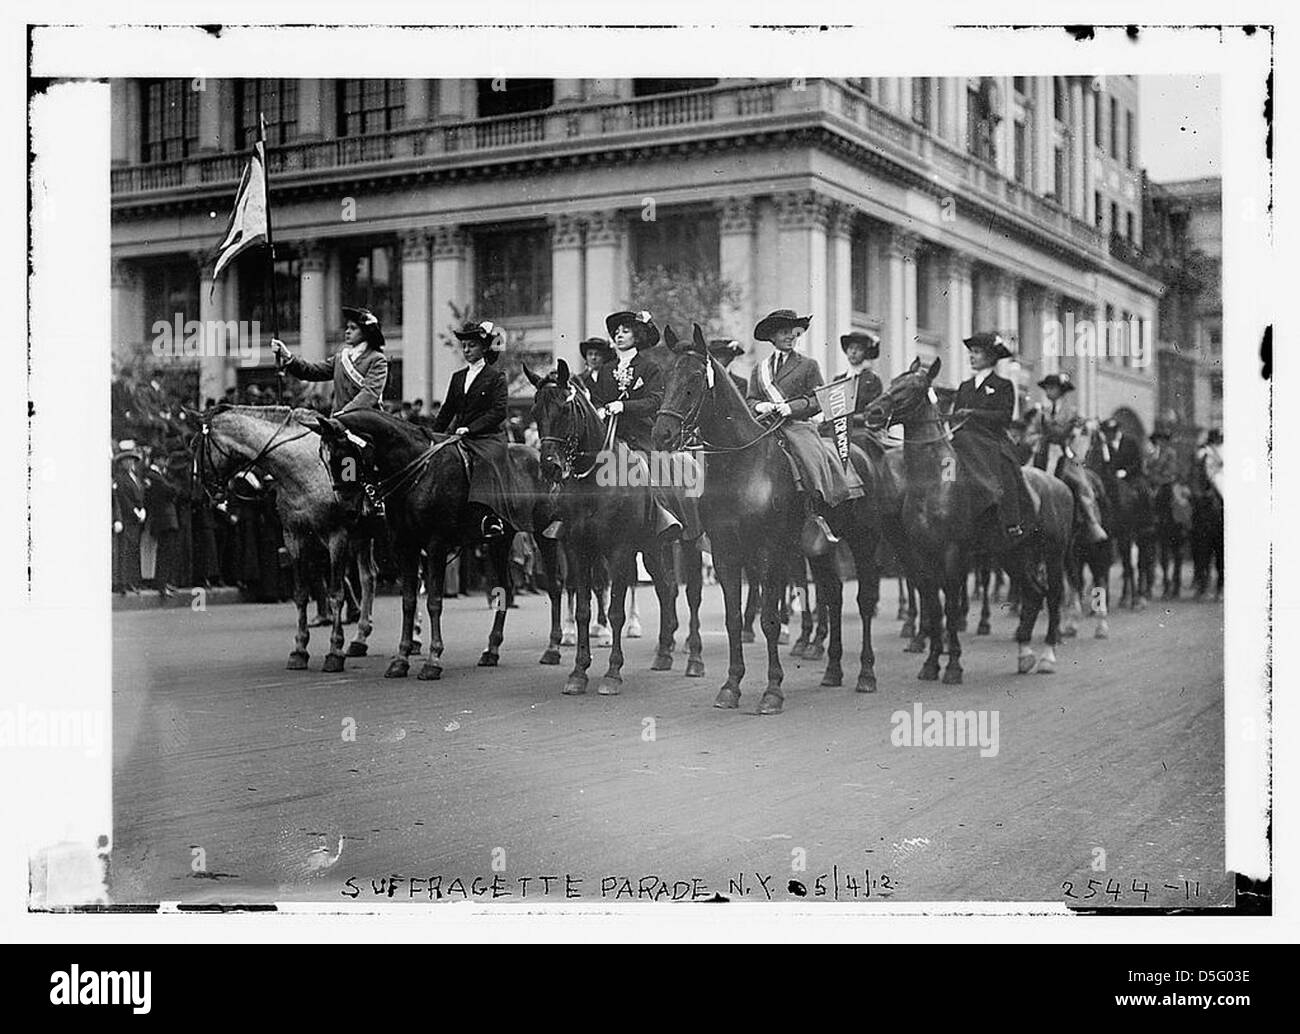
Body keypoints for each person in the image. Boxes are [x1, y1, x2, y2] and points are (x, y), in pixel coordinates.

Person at [746, 309, 865, 530]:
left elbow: (819, 399)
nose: (791, 336)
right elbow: (751, 399)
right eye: (784, 332)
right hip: (765, 426)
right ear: (772, 337)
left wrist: (790, 408)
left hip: (797, 425)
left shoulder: (808, 365)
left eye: (794, 332)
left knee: (809, 454)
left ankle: (815, 507)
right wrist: (760, 405)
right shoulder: (758, 370)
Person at [590, 309, 688, 539]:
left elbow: (655, 400)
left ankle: (664, 516)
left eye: (625, 331)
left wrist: (625, 406)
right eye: (616, 332)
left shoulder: (649, 367)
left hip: (638, 436)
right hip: (608, 436)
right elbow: (597, 398)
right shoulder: (605, 369)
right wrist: (600, 410)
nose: (619, 335)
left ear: (637, 336)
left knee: (644, 469)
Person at [432, 319, 527, 540]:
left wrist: (470, 428)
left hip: (488, 437)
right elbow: (447, 410)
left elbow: (498, 412)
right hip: (459, 436)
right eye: (464, 346)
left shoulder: (496, 377)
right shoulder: (458, 377)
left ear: (484, 347)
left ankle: (488, 517)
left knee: (485, 461)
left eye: (471, 345)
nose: (466, 350)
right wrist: (433, 436)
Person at [951, 332, 1031, 541]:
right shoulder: (965, 386)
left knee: (1007, 469)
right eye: (971, 352)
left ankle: (1012, 521)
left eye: (977, 352)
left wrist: (973, 413)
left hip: (991, 439)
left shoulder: (1003, 385)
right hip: (963, 439)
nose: (972, 356)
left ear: (990, 357)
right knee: (945, 462)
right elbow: (956, 413)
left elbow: (1004, 417)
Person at [1023, 372, 1107, 543]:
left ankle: (1091, 521)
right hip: (1044, 453)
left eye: (1052, 388)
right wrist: (1038, 440)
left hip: (1065, 454)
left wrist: (1071, 449)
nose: (1048, 391)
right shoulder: (1042, 413)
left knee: (1081, 483)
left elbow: (1080, 436)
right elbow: (1030, 434)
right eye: (1047, 388)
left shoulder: (1072, 413)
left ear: (1061, 391)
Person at [270, 306, 389, 417]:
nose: (347, 331)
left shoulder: (377, 359)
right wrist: (287, 355)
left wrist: (344, 413)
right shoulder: (341, 358)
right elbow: (311, 371)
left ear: (366, 332)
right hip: (339, 422)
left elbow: (370, 393)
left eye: (353, 328)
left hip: (365, 421)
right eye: (347, 327)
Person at [821, 331, 884, 446]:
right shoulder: (838, 379)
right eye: (851, 348)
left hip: (859, 429)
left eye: (858, 349)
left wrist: (849, 418)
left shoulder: (872, 380)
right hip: (837, 430)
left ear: (865, 353)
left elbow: (872, 414)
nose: (853, 352)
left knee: (861, 440)